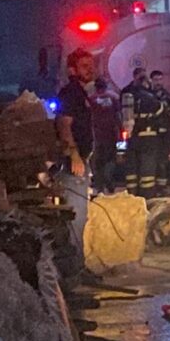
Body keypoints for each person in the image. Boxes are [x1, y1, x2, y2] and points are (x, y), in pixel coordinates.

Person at [55, 48, 95, 267]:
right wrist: (74, 155)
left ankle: (78, 265)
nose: (90, 70)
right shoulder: (71, 93)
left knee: (81, 216)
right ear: (72, 70)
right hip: (73, 164)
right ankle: (75, 268)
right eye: (84, 66)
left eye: (91, 65)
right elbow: (64, 124)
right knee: (76, 218)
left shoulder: (80, 93)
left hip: (81, 160)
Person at [125, 72, 166, 198]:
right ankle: (147, 196)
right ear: (145, 82)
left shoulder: (129, 96)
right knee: (147, 168)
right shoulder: (150, 97)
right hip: (149, 138)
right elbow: (161, 111)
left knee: (133, 167)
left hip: (133, 138)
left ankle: (132, 194)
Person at [89, 77, 120, 195]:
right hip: (111, 134)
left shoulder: (91, 99)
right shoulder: (113, 97)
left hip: (96, 135)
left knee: (98, 161)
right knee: (110, 159)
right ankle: (109, 182)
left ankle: (100, 186)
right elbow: (118, 115)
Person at [150, 70, 170, 196]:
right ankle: (152, 187)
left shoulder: (168, 96)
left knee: (162, 161)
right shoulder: (148, 95)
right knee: (152, 160)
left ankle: (162, 187)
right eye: (156, 80)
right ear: (151, 80)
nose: (158, 82)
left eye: (160, 79)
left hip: (165, 133)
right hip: (151, 132)